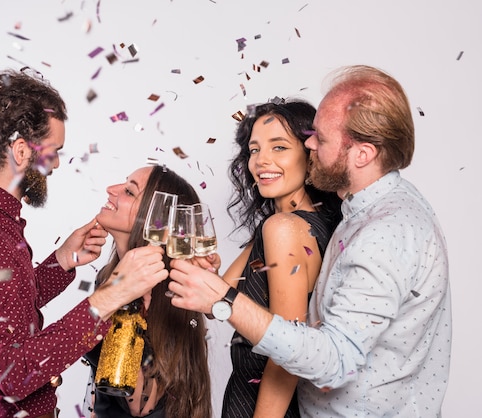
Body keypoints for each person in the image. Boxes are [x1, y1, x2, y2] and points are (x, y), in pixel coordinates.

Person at [168, 65, 452, 417]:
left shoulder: (382, 230)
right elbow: (219, 303)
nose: (311, 142)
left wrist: (222, 299)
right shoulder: (362, 213)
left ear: (362, 154)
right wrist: (209, 285)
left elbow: (329, 359)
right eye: (254, 149)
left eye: (319, 138)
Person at [0, 69, 168, 418]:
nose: (56, 163)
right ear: (22, 151)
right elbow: (14, 373)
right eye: (53, 151)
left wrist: (62, 261)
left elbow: (3, 306)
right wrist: (110, 296)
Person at [219, 99, 341, 418]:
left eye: (279, 147)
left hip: (266, 406)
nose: (262, 161)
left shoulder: (283, 228)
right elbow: (220, 299)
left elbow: (289, 353)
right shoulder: (302, 223)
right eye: (255, 149)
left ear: (311, 154)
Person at [82, 165, 212, 418]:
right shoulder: (108, 277)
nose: (111, 190)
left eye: (129, 191)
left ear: (157, 221)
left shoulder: (169, 293)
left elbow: (140, 405)